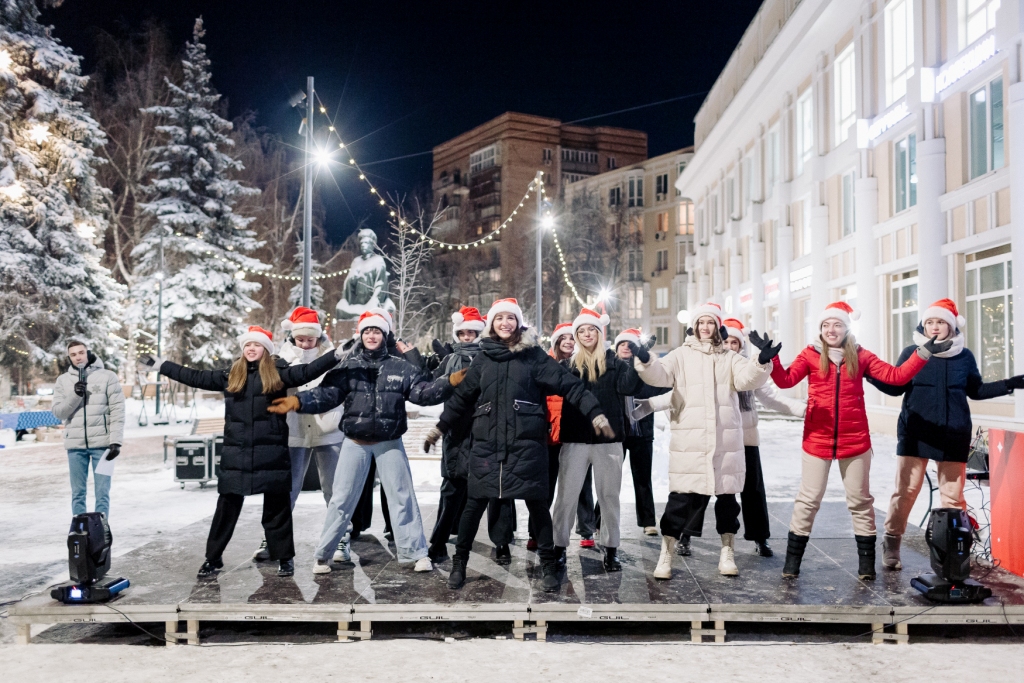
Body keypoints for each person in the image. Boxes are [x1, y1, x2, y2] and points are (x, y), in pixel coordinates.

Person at [424, 298, 613, 592]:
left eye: (510, 319)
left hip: (525, 445)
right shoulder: (484, 358)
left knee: (538, 506)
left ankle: (549, 563)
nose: (505, 324)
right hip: (487, 445)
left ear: (518, 323)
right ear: (492, 324)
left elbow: (569, 385)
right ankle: (459, 563)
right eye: (499, 319)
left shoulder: (533, 357)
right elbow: (462, 398)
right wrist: (440, 426)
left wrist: (595, 411)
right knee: (473, 507)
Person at [268, 308, 461, 575]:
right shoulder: (347, 366)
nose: (372, 335)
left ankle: (415, 552)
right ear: (361, 335)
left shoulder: (400, 366)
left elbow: (422, 394)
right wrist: (298, 401)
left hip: (389, 442)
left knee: (402, 497)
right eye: (367, 331)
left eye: (377, 331)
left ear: (385, 334)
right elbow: (327, 395)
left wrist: (448, 382)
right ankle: (324, 554)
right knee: (341, 499)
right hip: (354, 442)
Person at [768, 301, 950, 580]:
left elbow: (896, 376)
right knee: (808, 500)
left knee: (860, 501)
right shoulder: (810, 355)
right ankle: (792, 564)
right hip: (817, 439)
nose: (831, 330)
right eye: (826, 325)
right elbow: (785, 381)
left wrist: (922, 353)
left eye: (837, 324)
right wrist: (771, 360)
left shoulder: (860, 355)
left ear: (846, 328)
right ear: (820, 329)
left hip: (855, 442)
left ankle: (866, 566)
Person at [139, 325, 339, 578]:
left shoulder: (278, 373)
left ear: (265, 349)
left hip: (271, 454)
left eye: (256, 345)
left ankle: (284, 558)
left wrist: (335, 356)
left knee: (277, 509)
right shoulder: (231, 374)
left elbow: (308, 371)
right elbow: (194, 377)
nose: (251, 349)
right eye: (247, 345)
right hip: (237, 455)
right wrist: (161, 365)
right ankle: (213, 559)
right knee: (226, 510)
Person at [866, 299, 1024, 570]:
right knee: (906, 491)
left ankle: (953, 549)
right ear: (923, 326)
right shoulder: (911, 352)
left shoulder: (964, 356)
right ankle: (892, 542)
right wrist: (870, 375)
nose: (935, 327)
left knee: (952, 496)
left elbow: (976, 390)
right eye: (930, 322)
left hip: (954, 433)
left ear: (950, 326)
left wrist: (1010, 384)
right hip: (917, 433)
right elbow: (895, 387)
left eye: (940, 322)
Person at [630, 301, 775, 579]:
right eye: (700, 323)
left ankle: (726, 551)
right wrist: (645, 360)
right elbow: (659, 375)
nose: (705, 327)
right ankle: (666, 555)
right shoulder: (681, 355)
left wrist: (761, 361)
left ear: (717, 326)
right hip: (691, 440)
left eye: (710, 322)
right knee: (679, 501)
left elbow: (748, 380)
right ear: (694, 326)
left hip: (725, 440)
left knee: (727, 501)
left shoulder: (729, 357)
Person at [551, 309, 646, 571]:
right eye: (581, 331)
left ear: (599, 332)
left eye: (591, 329)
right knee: (566, 498)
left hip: (609, 442)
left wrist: (639, 361)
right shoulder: (568, 366)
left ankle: (611, 549)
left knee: (609, 497)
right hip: (575, 441)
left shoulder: (614, 362)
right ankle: (559, 547)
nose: (586, 334)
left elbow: (629, 387)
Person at [251, 307, 347, 563]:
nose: (305, 343)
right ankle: (272, 538)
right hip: (293, 430)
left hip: (328, 429)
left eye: (310, 338)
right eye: (300, 338)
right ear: (292, 336)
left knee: (334, 489)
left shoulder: (332, 357)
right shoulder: (278, 358)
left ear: (318, 336)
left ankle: (340, 539)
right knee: (285, 489)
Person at [427, 306, 516, 564]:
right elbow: (433, 390)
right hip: (457, 430)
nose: (467, 338)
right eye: (463, 333)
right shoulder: (449, 359)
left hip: (489, 429)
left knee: (498, 489)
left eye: (472, 333)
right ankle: (440, 540)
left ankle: (501, 541)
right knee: (452, 487)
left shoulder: (494, 355)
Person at [720, 318, 805, 558]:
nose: (729, 346)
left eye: (734, 342)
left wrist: (803, 410)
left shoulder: (751, 369)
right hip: (719, 439)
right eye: (725, 341)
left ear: (740, 346)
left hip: (746, 439)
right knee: (708, 490)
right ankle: (685, 534)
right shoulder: (713, 368)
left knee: (753, 490)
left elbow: (771, 398)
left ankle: (760, 537)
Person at [528, 322, 597, 551]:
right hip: (547, 433)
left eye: (571, 338)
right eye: (563, 338)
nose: (568, 342)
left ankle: (586, 529)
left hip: (574, 432)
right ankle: (536, 532)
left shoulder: (581, 365)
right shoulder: (543, 363)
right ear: (556, 341)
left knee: (581, 485)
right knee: (543, 486)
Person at [52, 340, 125, 519]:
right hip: (75, 446)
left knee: (102, 492)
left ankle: (101, 531)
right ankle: (80, 531)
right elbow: (58, 413)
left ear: (88, 353)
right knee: (78, 493)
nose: (78, 357)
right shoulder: (62, 381)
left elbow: (118, 410)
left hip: (103, 445)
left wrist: (115, 441)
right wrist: (75, 395)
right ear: (69, 358)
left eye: (81, 352)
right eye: (73, 354)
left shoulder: (108, 376)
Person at [612, 328, 669, 537]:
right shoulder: (611, 369)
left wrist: (646, 362)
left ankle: (648, 521)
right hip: (616, 434)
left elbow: (663, 387)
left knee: (643, 478)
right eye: (622, 344)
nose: (625, 347)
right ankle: (600, 518)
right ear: (616, 348)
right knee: (610, 479)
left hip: (641, 433)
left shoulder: (646, 371)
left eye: (630, 344)